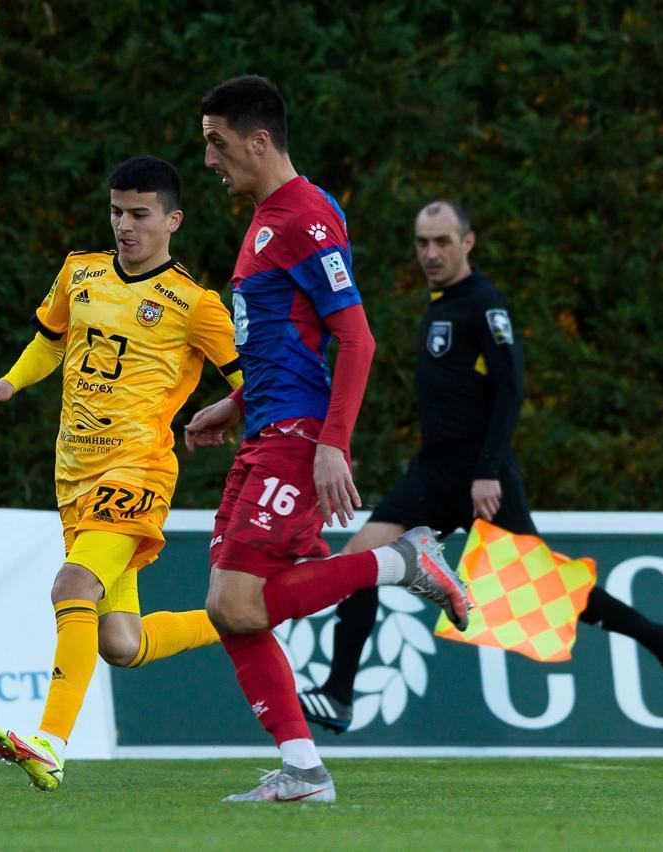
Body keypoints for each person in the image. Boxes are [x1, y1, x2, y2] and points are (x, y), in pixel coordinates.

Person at [298, 198, 663, 734]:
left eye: (443, 241)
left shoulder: (483, 303)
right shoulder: (439, 304)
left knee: (547, 588)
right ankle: (338, 695)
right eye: (422, 242)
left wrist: (489, 469)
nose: (431, 253)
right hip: (433, 474)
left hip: (481, 477)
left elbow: (511, 387)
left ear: (467, 243)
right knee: (358, 561)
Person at [184, 75, 470, 805]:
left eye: (217, 142)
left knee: (239, 603)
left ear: (258, 141)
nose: (208, 158)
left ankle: (401, 561)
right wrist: (234, 403)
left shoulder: (306, 216)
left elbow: (357, 338)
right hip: (264, 429)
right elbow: (290, 340)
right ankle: (304, 770)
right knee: (227, 606)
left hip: (296, 436)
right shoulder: (270, 216)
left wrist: (331, 443)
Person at [0, 155, 246, 793]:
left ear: (173, 221)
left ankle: (49, 743)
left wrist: (228, 416)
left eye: (140, 214)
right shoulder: (80, 272)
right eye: (117, 212)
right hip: (74, 478)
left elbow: (251, 380)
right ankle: (245, 615)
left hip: (138, 470)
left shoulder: (195, 305)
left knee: (71, 584)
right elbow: (51, 341)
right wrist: (10, 382)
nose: (125, 225)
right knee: (120, 642)